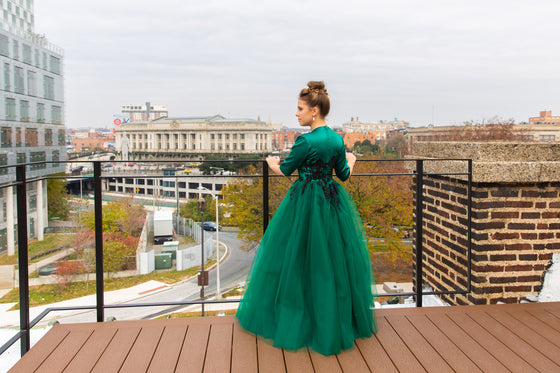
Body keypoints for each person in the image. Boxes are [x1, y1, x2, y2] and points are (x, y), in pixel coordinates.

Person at [236, 81, 377, 355]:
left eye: (300, 109)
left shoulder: (304, 140)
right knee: (332, 262)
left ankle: (300, 318)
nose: (296, 114)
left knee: (297, 258)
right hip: (331, 201)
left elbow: (288, 169)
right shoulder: (337, 139)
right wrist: (353, 160)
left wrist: (272, 164)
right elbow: (344, 175)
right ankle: (334, 320)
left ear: (314, 110)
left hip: (305, 202)